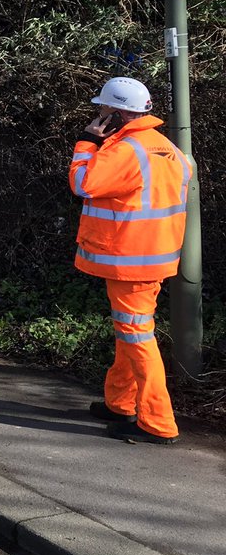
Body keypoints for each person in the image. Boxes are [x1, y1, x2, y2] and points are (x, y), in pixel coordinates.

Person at [69, 77, 192, 445]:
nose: (99, 114)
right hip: (153, 258)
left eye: (103, 110)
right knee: (130, 331)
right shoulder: (167, 148)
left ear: (118, 113)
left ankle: (158, 422)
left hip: (129, 260)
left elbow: (82, 183)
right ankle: (119, 403)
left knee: (138, 338)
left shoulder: (124, 150)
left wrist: (88, 141)